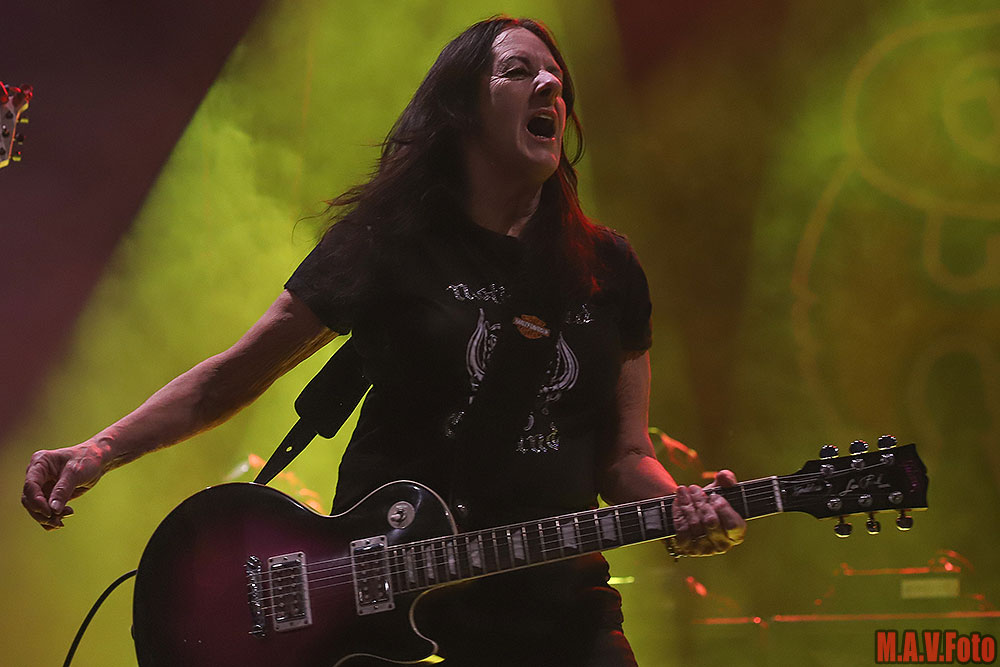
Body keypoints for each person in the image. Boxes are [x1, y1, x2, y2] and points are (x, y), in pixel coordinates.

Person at [22, 16, 745, 666]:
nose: (551, 85)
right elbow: (231, 377)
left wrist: (683, 508)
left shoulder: (605, 268)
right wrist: (99, 450)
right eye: (518, 70)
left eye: (557, 77)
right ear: (462, 109)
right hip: (380, 607)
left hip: (561, 607)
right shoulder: (387, 247)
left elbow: (626, 456)